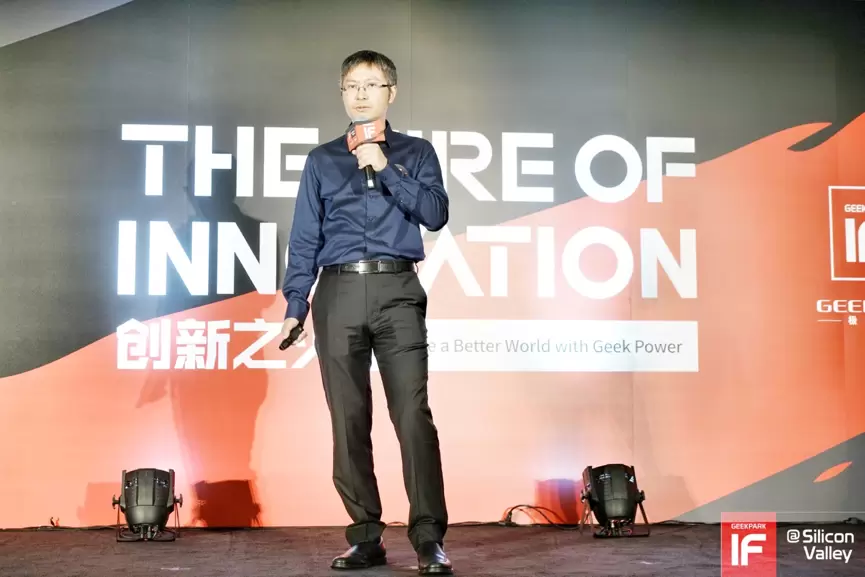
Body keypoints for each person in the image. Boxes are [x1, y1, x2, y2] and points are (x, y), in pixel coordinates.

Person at [279, 50, 453, 575]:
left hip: (397, 288)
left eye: (371, 84)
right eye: (351, 85)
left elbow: (436, 214)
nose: (360, 94)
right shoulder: (321, 160)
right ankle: (365, 536)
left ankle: (428, 538)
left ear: (390, 93)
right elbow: (305, 237)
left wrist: (386, 168)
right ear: (342, 93)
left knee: (412, 414)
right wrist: (295, 304)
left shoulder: (416, 153)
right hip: (337, 292)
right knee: (348, 417)